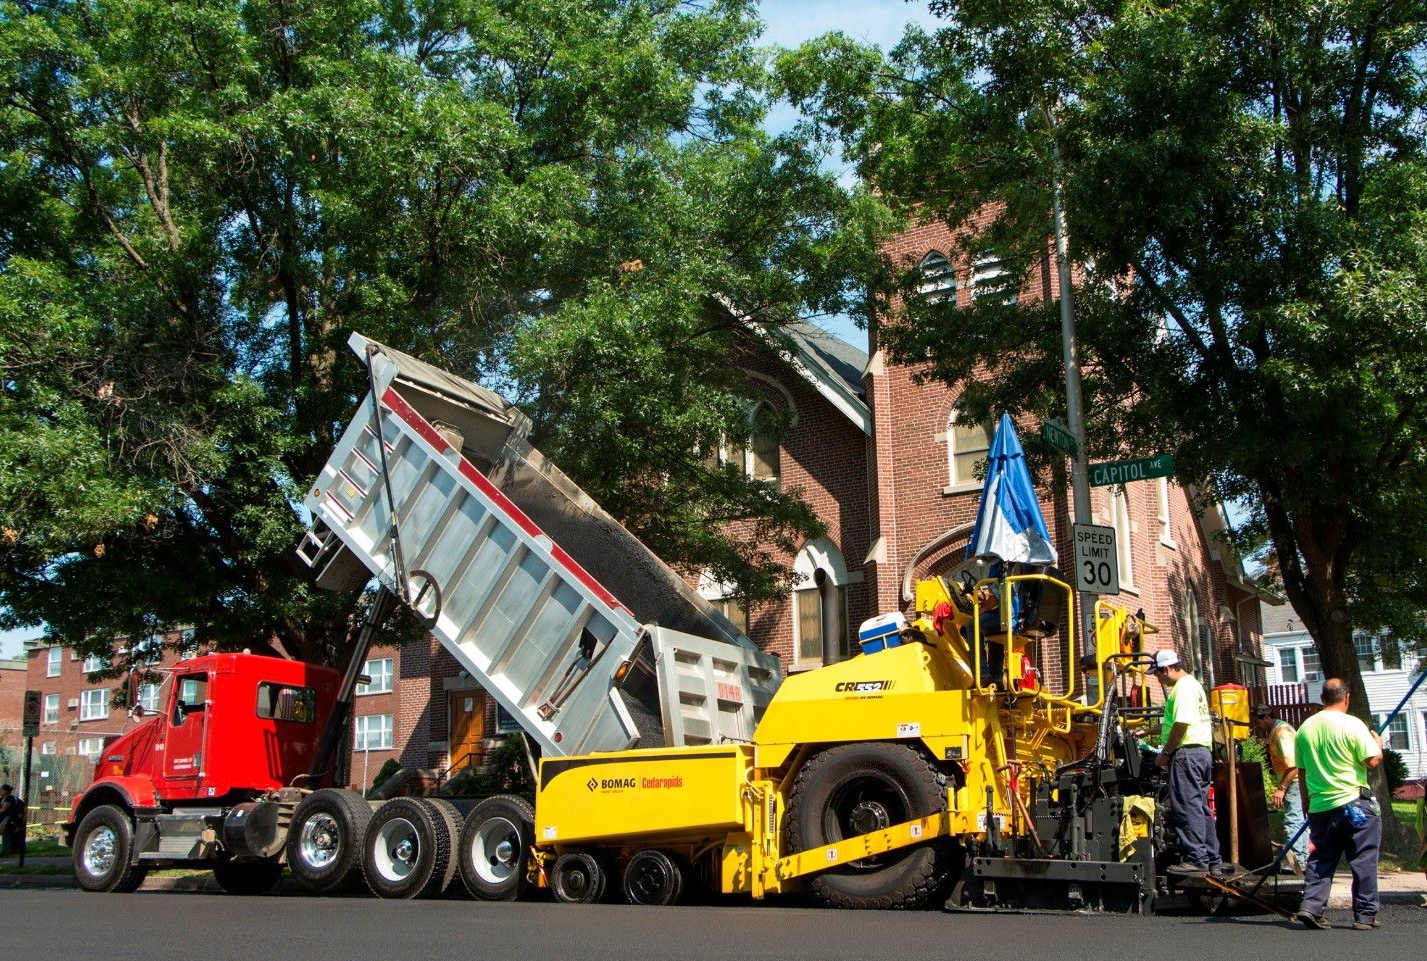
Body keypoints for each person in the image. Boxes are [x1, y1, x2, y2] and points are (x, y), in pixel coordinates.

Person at [1292, 678, 1384, 931]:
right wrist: (1378, 745)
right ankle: (1365, 916)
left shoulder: (1305, 728)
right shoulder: (1353, 724)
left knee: (1321, 857)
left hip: (1320, 805)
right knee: (1363, 858)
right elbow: (1372, 761)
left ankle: (1311, 906)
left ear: (1323, 699)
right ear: (1347, 698)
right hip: (1354, 803)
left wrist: (1306, 801)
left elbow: (1301, 770)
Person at [1149, 649, 1225, 875]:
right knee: (1199, 806)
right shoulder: (1194, 686)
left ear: (1167, 668)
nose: (1159, 679)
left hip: (1186, 755)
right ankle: (1213, 859)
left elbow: (1181, 725)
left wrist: (1165, 752)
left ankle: (1196, 860)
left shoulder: (1182, 689)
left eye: (1158, 674)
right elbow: (1175, 723)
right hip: (1201, 752)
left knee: (1185, 805)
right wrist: (1145, 731)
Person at [1251, 704, 1309, 868]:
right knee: (1300, 820)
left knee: (1294, 821)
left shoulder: (1281, 732)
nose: (1257, 727)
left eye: (1257, 722)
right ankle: (1302, 859)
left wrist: (1281, 788)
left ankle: (1295, 860)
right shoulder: (1279, 729)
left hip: (1295, 782)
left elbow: (1294, 765)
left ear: (1267, 717)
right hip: (1297, 782)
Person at [0, 784, 25, 857]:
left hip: (8, 819)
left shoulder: (10, 799)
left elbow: (3, 809)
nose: (0, 791)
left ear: (5, 791)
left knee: (6, 835)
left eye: (1, 790)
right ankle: (5, 851)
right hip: (3, 819)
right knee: (5, 835)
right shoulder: (2, 798)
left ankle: (6, 852)